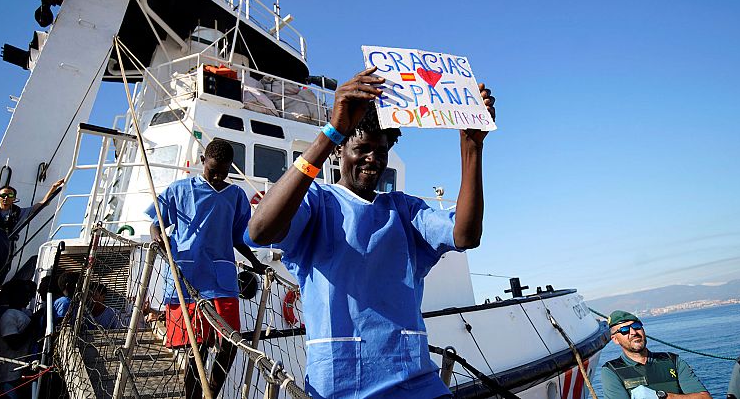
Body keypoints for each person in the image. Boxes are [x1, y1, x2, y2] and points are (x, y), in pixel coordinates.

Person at [245, 66, 495, 398]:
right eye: (361, 148)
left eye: (381, 150)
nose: (372, 159)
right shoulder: (316, 204)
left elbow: (465, 236)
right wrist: (331, 130)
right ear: (338, 149)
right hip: (342, 388)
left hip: (419, 384)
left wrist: (471, 148)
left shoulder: (404, 210)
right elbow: (260, 230)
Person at [145, 139, 265, 399]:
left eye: (224, 171)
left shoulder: (236, 196)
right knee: (194, 348)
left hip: (221, 278)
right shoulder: (179, 190)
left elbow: (238, 238)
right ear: (203, 161)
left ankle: (211, 390)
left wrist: (255, 263)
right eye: (213, 170)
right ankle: (193, 396)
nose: (218, 176)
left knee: (231, 341)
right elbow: (156, 224)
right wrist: (158, 239)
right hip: (187, 276)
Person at [600, 310, 711, 399]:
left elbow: (704, 397)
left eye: (637, 326)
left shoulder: (672, 361)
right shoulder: (611, 371)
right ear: (615, 339)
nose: (634, 332)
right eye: (624, 330)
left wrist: (663, 396)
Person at [0, 180, 64, 285]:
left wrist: (53, 187)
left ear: (14, 198)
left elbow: (42, 204)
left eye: (10, 195)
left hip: (6, 248)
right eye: (3, 195)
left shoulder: (19, 213)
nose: (6, 197)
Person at [0, 279, 43, 399]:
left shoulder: (23, 314)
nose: (28, 297)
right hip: (8, 376)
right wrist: (32, 324)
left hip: (21, 373)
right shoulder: (9, 315)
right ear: (15, 294)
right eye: (24, 293)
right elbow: (13, 342)